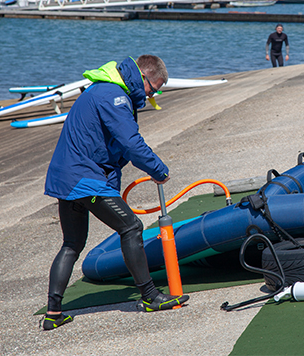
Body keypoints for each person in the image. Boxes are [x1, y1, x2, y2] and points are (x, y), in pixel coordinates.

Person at [42, 55, 189, 331]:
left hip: (67, 177)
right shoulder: (115, 96)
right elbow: (131, 145)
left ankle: (53, 313)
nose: (152, 94)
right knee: (131, 227)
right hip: (83, 178)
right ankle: (149, 297)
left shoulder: (104, 89)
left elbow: (106, 148)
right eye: (153, 88)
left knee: (72, 243)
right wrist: (159, 170)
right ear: (143, 76)